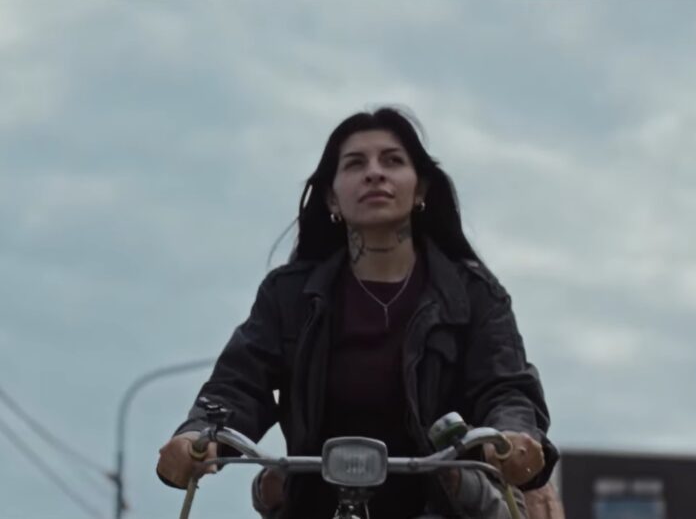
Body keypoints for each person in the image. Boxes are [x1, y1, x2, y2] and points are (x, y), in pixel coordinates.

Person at [157, 107, 560, 518]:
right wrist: (197, 435)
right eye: (355, 164)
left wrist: (513, 434)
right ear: (332, 197)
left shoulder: (474, 294)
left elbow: (505, 387)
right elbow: (238, 384)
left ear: (420, 189)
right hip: (316, 505)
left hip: (442, 504)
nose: (374, 173)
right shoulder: (288, 294)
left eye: (392, 160)